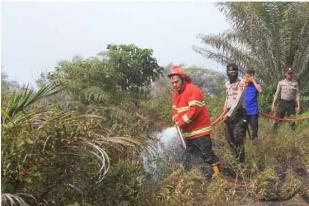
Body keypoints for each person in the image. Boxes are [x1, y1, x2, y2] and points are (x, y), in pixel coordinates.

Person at [168, 65, 220, 177]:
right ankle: (200, 178)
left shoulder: (192, 89)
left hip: (200, 131)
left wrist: (181, 122)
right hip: (188, 133)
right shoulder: (176, 94)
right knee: (190, 156)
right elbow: (175, 110)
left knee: (207, 155)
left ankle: (219, 176)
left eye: (176, 82)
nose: (174, 85)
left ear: (183, 79)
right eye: (172, 83)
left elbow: (194, 110)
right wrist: (175, 117)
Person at [221, 63, 247, 163]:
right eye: (231, 72)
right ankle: (235, 160)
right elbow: (227, 98)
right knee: (229, 138)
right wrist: (224, 111)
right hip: (227, 114)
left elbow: (238, 101)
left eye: (235, 72)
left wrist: (228, 115)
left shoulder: (241, 84)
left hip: (238, 114)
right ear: (227, 73)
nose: (233, 74)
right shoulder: (227, 84)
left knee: (238, 137)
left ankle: (241, 162)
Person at [271, 67, 301, 133]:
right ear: (285, 74)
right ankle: (273, 134)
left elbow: (297, 95)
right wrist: (273, 104)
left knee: (292, 120)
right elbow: (276, 93)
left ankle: (293, 134)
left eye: (291, 73)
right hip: (282, 103)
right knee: (277, 119)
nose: (290, 75)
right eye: (288, 73)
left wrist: (298, 106)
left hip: (291, 103)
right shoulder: (280, 83)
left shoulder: (295, 83)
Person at [244, 69, 262, 140]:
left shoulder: (256, 84)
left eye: (250, 76)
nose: (248, 77)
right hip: (244, 111)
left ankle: (255, 141)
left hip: (253, 111)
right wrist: (245, 81)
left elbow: (260, 91)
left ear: (253, 76)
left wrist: (253, 81)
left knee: (254, 130)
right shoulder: (243, 84)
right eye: (247, 75)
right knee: (243, 130)